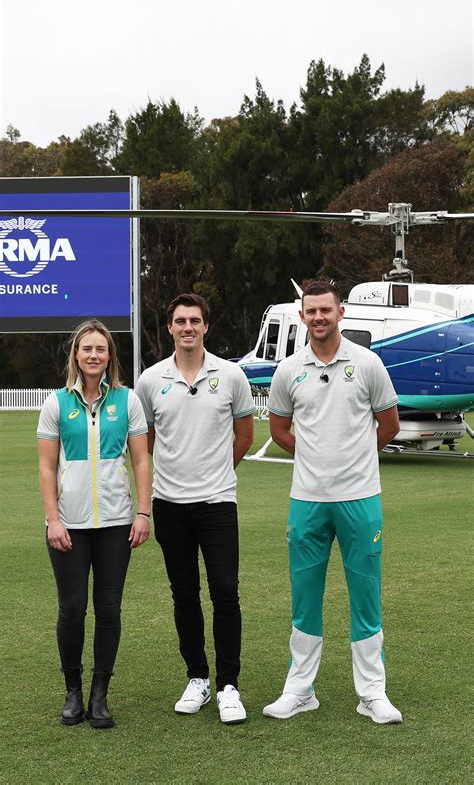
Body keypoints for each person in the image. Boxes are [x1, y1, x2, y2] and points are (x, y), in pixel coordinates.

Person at [263, 280, 403, 724]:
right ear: (302, 316)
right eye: (311, 311)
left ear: (340, 312)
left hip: (360, 499)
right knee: (305, 598)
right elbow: (279, 429)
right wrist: (315, 458)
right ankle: (300, 690)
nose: (319, 317)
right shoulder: (289, 370)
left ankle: (372, 693)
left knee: (366, 597)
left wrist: (354, 459)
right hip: (307, 501)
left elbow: (390, 424)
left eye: (326, 310)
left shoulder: (368, 363)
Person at [135, 293, 254, 725]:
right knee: (184, 593)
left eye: (195, 321)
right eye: (180, 321)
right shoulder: (151, 380)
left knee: (225, 592)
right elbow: (145, 441)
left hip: (218, 502)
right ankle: (198, 677)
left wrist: (217, 471)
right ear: (170, 327)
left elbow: (244, 435)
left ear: (206, 326)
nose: (188, 327)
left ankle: (228, 686)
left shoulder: (232, 375)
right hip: (170, 504)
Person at [37, 319, 151, 729]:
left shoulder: (127, 400)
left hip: (116, 524)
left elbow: (140, 460)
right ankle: (73, 691)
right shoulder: (56, 403)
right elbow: (46, 467)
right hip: (68, 524)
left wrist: (143, 512)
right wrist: (53, 520)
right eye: (87, 348)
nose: (93, 355)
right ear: (76, 354)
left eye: (101, 349)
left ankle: (100, 694)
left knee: (108, 609)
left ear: (109, 356)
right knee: (72, 609)